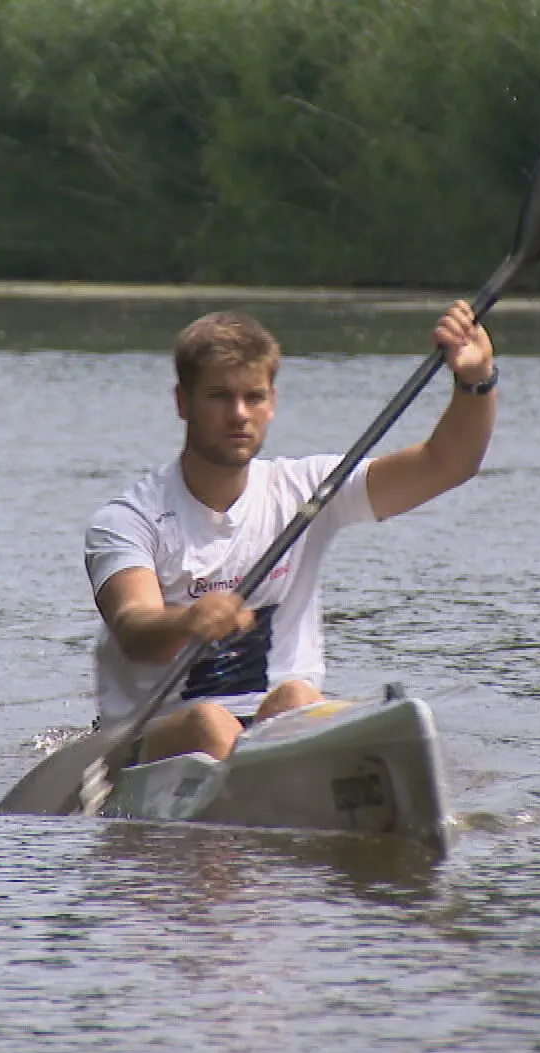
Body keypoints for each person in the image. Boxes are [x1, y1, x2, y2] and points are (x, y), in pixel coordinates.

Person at [83, 301, 496, 764]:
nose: (239, 414)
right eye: (219, 396)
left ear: (272, 403)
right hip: (158, 734)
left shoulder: (308, 489)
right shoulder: (128, 520)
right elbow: (133, 626)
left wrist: (475, 380)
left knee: (297, 697)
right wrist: (187, 621)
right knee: (210, 723)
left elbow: (447, 464)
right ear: (183, 402)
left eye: (254, 397)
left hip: (273, 726)